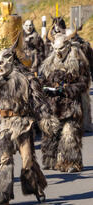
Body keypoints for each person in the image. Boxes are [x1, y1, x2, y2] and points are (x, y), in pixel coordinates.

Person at [0, 46, 48, 205]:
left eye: (1, 63)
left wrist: (45, 119)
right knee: (4, 159)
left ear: (10, 61)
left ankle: (36, 187)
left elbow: (39, 102)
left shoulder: (26, 79)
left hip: (23, 123)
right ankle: (2, 196)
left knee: (28, 159)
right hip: (4, 125)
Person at [40, 32, 90, 173]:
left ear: (67, 46)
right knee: (50, 132)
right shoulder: (49, 62)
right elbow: (43, 79)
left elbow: (84, 83)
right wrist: (45, 87)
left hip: (71, 104)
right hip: (53, 102)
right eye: (55, 49)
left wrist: (68, 89)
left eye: (60, 49)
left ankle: (71, 162)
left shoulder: (79, 61)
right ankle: (52, 160)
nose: (57, 52)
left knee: (69, 134)